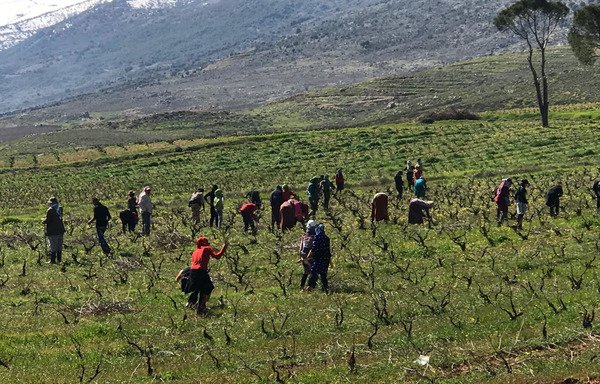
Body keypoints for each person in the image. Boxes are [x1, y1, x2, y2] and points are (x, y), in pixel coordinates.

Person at [186, 236, 227, 314]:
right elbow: (217, 256)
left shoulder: (195, 251)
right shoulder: (207, 248)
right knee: (208, 287)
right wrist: (224, 247)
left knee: (197, 288)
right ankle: (201, 307)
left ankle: (190, 303)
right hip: (201, 270)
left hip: (192, 271)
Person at [306, 224, 332, 293]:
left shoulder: (317, 237)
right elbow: (328, 249)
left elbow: (314, 248)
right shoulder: (327, 238)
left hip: (318, 258)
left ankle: (309, 287)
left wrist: (309, 256)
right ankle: (325, 289)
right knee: (323, 274)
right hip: (326, 258)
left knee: (313, 272)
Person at [43, 197, 65, 264]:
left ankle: (52, 260)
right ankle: (59, 259)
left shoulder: (50, 210)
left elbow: (48, 220)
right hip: (60, 229)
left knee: (52, 245)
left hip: (52, 230)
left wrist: (43, 221)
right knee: (59, 245)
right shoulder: (60, 208)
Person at [298, 220, 317, 290]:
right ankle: (310, 287)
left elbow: (300, 248)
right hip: (311, 257)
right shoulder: (315, 237)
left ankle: (302, 286)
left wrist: (301, 257)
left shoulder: (304, 237)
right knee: (313, 272)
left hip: (303, 256)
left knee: (306, 272)